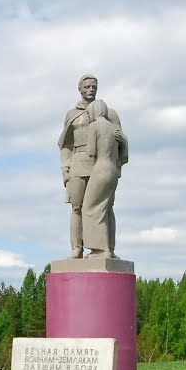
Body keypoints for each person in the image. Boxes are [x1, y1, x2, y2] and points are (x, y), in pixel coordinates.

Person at [57, 75, 126, 258]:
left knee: (105, 207)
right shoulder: (73, 114)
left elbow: (120, 142)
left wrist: (117, 168)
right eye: (87, 86)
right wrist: (66, 169)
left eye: (94, 86)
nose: (91, 89)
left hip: (100, 165)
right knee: (77, 207)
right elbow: (65, 145)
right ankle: (76, 248)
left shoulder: (109, 113)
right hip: (78, 163)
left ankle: (107, 249)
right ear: (80, 89)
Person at [81, 99, 127, 257]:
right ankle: (109, 248)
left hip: (100, 168)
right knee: (105, 208)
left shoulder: (94, 126)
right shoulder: (115, 128)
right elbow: (125, 155)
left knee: (90, 208)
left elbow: (91, 151)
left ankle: (100, 249)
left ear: (94, 111)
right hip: (113, 170)